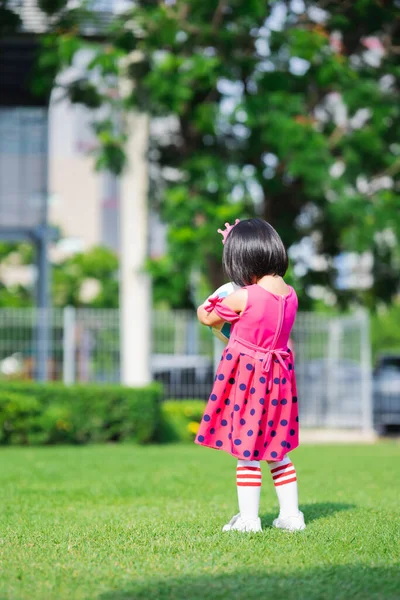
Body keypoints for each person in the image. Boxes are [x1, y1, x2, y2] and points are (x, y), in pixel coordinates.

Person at [196, 218, 305, 533]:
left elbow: (208, 317)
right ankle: (291, 516)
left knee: (247, 453)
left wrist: (210, 301)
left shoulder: (243, 297)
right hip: (280, 381)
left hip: (249, 382)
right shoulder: (291, 295)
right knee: (277, 450)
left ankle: (249, 519)